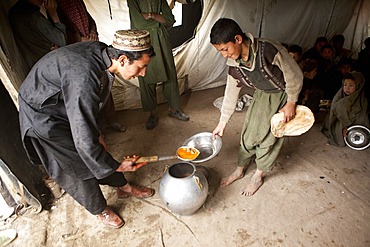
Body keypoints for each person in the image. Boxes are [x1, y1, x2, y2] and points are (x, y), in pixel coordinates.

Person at [18, 30, 156, 228]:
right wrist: (117, 165)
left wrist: (98, 134)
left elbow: (90, 107)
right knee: (75, 164)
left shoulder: (102, 53)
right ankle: (100, 209)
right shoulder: (83, 77)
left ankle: (123, 187)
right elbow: (83, 140)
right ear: (123, 59)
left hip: (63, 102)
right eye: (141, 67)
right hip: (42, 114)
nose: (143, 74)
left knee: (98, 148)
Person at [210, 18, 303, 196]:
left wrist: (291, 102)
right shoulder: (234, 63)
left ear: (238, 39)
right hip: (261, 95)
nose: (224, 55)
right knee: (249, 134)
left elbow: (295, 75)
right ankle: (240, 169)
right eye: (220, 51)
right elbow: (231, 91)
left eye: (225, 49)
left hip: (282, 95)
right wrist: (222, 122)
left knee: (270, 137)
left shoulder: (268, 50)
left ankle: (258, 175)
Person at [127, 0, 189, 130]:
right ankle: (152, 113)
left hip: (161, 40)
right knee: (146, 77)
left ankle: (174, 109)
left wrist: (150, 15)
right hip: (143, 41)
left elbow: (170, 20)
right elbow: (138, 22)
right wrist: (159, 20)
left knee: (169, 73)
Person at [8, 0, 67, 72]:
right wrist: (54, 14)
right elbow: (61, 41)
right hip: (49, 65)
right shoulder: (33, 16)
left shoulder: (14, 11)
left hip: (36, 67)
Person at [321, 72, 369, 147]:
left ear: (359, 86)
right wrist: (343, 128)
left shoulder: (363, 100)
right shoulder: (339, 99)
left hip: (355, 128)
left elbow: (362, 117)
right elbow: (334, 117)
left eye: (351, 85)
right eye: (345, 85)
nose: (347, 88)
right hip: (338, 123)